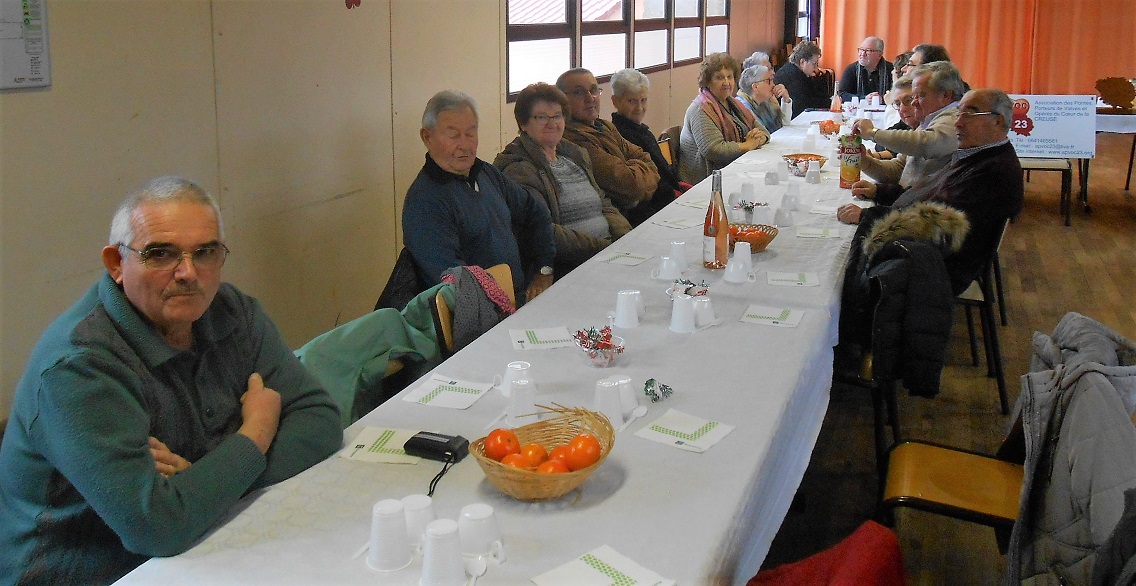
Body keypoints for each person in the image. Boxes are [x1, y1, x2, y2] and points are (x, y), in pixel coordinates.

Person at [0, 176, 343, 584]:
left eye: (205, 252)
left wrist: (207, 481)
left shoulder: (233, 311)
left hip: (204, 541)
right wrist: (255, 433)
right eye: (160, 254)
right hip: (94, 572)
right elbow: (156, 526)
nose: (188, 273)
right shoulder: (79, 368)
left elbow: (320, 420)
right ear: (116, 265)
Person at [837, 88, 1024, 293]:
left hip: (936, 269)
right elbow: (929, 193)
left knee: (838, 267)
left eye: (970, 113)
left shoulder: (993, 172)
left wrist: (868, 215)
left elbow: (932, 224)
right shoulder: (977, 154)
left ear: (998, 121)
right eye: (959, 113)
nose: (958, 122)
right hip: (924, 252)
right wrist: (879, 192)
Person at [402, 90, 557, 304]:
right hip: (483, 317)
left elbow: (536, 211)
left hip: (523, 298)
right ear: (427, 137)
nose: (464, 145)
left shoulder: (486, 173)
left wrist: (544, 270)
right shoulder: (425, 202)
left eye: (471, 133)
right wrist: (513, 308)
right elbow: (455, 284)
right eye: (454, 135)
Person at [494, 83, 631, 276]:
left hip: (607, 256)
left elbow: (604, 204)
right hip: (569, 268)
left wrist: (627, 239)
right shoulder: (519, 169)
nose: (552, 123)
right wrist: (605, 249)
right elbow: (543, 230)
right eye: (541, 117)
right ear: (523, 124)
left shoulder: (574, 155)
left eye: (557, 116)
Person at [557, 68, 665, 226]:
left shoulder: (605, 127)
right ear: (561, 100)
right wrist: (638, 184)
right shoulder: (572, 139)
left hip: (642, 211)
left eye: (594, 90)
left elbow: (649, 161)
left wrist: (637, 189)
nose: (590, 98)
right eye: (579, 92)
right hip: (619, 223)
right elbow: (631, 186)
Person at [852, 61, 965, 188]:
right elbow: (899, 169)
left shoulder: (956, 119)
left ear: (946, 95)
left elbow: (926, 144)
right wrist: (864, 161)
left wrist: (872, 132)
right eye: (914, 96)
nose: (914, 103)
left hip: (923, 205)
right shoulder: (930, 120)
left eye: (920, 96)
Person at [678, 52, 770, 184]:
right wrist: (747, 145)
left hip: (734, 170)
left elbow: (764, 131)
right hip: (706, 181)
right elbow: (713, 150)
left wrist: (759, 138)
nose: (726, 82)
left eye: (730, 77)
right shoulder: (700, 109)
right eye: (719, 78)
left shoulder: (734, 104)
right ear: (707, 82)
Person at [607, 68, 688, 199]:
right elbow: (648, 183)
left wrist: (681, 185)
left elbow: (665, 170)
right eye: (632, 101)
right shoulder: (619, 136)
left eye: (643, 100)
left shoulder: (644, 132)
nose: (639, 108)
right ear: (615, 101)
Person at [774, 40, 830, 117]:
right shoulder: (792, 77)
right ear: (802, 62)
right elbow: (804, 106)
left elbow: (818, 97)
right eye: (814, 64)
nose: (816, 67)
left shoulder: (800, 73)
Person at [737, 63, 791, 133]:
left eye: (772, 80)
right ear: (755, 87)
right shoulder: (743, 107)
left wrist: (786, 99)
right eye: (769, 81)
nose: (773, 85)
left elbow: (784, 124)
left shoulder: (765, 101)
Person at [838, 36, 894, 103]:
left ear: (880, 54)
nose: (862, 54)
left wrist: (883, 99)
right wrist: (864, 98)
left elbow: (898, 94)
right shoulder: (852, 69)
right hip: (858, 111)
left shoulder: (891, 70)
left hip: (885, 111)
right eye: (861, 49)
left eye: (868, 50)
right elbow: (841, 94)